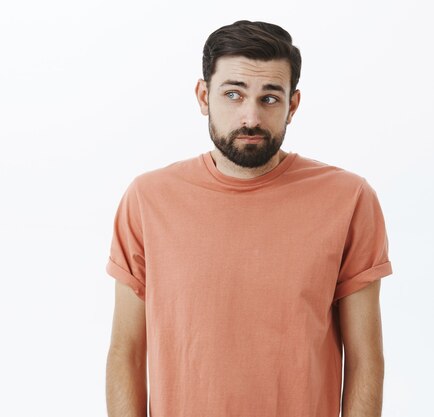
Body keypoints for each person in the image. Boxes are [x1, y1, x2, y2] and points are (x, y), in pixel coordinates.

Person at [104, 20, 393, 417]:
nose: (251, 117)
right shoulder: (147, 199)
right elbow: (127, 353)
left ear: (292, 104)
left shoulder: (349, 199)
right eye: (234, 94)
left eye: (269, 98)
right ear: (204, 96)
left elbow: (365, 361)